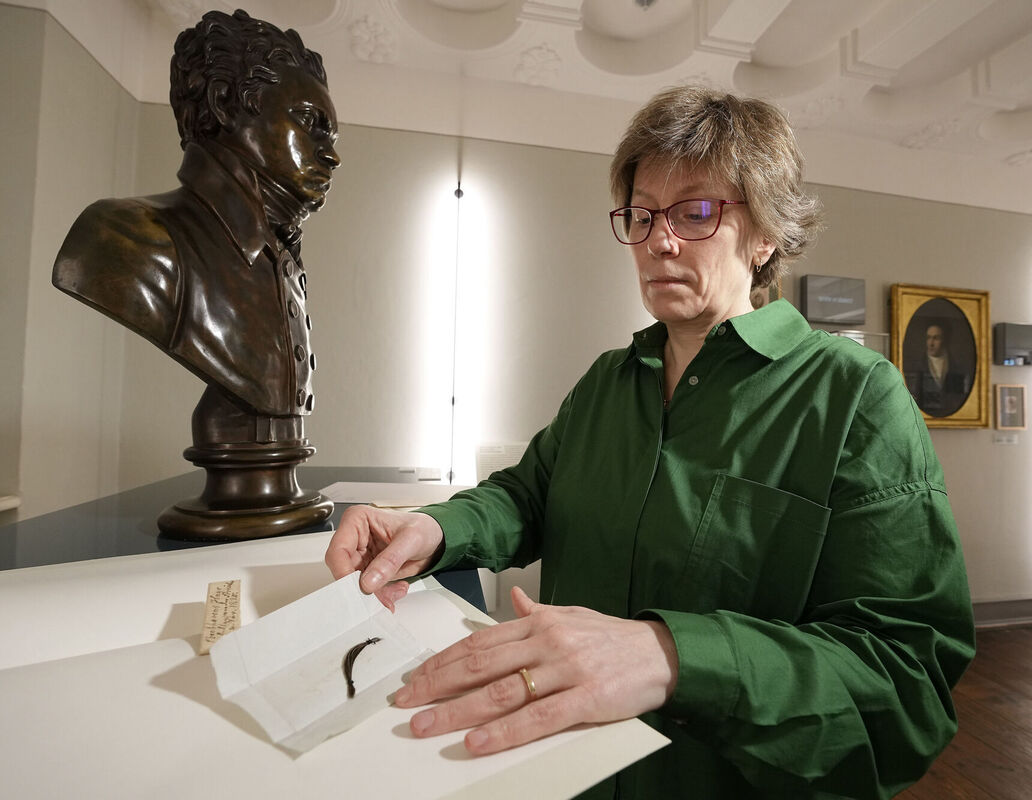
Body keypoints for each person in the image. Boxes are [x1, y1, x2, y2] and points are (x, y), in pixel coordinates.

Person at [325, 86, 974, 798]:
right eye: (642, 214)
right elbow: (526, 494)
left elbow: (905, 681)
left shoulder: (855, 398)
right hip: (562, 772)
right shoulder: (610, 380)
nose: (659, 240)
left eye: (696, 212)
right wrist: (432, 528)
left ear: (765, 235)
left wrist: (673, 656)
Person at [53, 9, 340, 441]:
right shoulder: (124, 235)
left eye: (331, 138)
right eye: (309, 122)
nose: (332, 155)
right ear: (224, 102)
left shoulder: (282, 262)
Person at [905, 321, 970, 416]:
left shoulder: (958, 367)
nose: (931, 343)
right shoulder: (915, 366)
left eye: (936, 338)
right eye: (928, 338)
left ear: (945, 340)